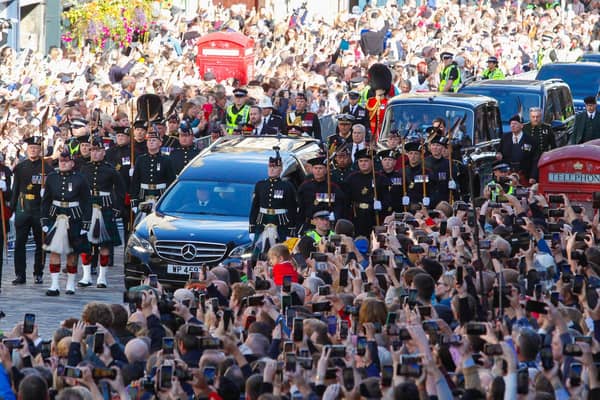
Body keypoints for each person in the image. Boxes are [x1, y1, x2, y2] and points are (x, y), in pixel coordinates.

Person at [41, 150, 91, 296]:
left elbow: (87, 202)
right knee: (54, 251)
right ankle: (54, 285)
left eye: (66, 161)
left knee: (72, 252)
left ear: (72, 163)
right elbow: (46, 201)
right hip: (55, 217)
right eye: (61, 161)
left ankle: (70, 284)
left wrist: (86, 223)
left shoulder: (80, 179)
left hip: (74, 218)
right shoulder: (51, 177)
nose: (63, 164)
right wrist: (44, 219)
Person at [78, 137, 126, 289]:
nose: (94, 153)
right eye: (92, 150)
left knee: (104, 244)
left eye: (98, 150)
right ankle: (86, 276)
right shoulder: (84, 168)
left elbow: (120, 189)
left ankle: (102, 277)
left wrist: (117, 207)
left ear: (103, 152)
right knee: (85, 241)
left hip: (104, 207)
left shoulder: (110, 169)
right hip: (87, 208)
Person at [10, 135, 54, 285]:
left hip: (39, 209)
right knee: (19, 243)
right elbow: (15, 189)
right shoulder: (21, 167)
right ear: (27, 150)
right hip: (23, 207)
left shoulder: (47, 168)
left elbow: (52, 190)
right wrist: (11, 209)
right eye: (30, 148)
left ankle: (38, 272)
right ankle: (20, 274)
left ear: (40, 150)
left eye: (36, 148)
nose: (33, 150)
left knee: (40, 242)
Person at [249, 148, 297, 252]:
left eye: (275, 167)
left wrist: (290, 232)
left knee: (280, 252)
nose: (272, 169)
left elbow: (292, 209)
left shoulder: (287, 186)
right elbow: (255, 207)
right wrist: (252, 229)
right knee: (259, 253)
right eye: (270, 167)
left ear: (280, 169)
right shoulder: (260, 185)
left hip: (280, 222)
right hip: (262, 221)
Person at [343, 148, 390, 236]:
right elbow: (346, 200)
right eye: (361, 161)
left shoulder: (380, 178)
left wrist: (380, 205)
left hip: (374, 215)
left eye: (366, 161)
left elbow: (387, 199)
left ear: (371, 162)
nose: (363, 163)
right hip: (357, 215)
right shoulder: (351, 178)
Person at [130, 129, 176, 213]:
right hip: (143, 194)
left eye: (154, 140)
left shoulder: (166, 160)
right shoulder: (140, 159)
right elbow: (135, 181)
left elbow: (171, 181)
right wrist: (134, 200)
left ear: (160, 143)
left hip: (160, 194)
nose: (151, 142)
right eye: (149, 140)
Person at [296, 154, 345, 231]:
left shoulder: (333, 187)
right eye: (315, 168)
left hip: (327, 225)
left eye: (320, 168)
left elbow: (339, 206)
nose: (318, 171)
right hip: (310, 225)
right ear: (312, 170)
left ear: (326, 170)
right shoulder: (305, 187)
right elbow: (301, 207)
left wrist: (334, 216)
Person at [105, 126, 133, 239]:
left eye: (123, 136)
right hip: (113, 191)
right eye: (119, 136)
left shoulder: (132, 151)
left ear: (128, 138)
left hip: (127, 191)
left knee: (128, 224)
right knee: (110, 224)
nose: (120, 138)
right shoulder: (110, 152)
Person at [497, 114, 539, 185]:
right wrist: (498, 154)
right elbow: (499, 151)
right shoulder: (505, 138)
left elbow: (535, 160)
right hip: (508, 174)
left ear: (522, 126)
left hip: (524, 175)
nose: (512, 126)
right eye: (511, 124)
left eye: (515, 124)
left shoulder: (530, 140)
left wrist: (533, 176)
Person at [425, 134, 455, 207]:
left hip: (443, 201)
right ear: (430, 147)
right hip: (428, 200)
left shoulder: (449, 164)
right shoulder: (423, 163)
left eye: (438, 145)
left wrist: (454, 185)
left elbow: (455, 180)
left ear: (442, 148)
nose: (435, 147)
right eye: (433, 145)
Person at [402, 141, 434, 206]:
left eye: (416, 154)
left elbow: (432, 190)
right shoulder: (401, 172)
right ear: (407, 155)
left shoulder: (427, 172)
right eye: (410, 153)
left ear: (421, 156)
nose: (413, 156)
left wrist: (429, 201)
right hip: (405, 207)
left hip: (422, 206)